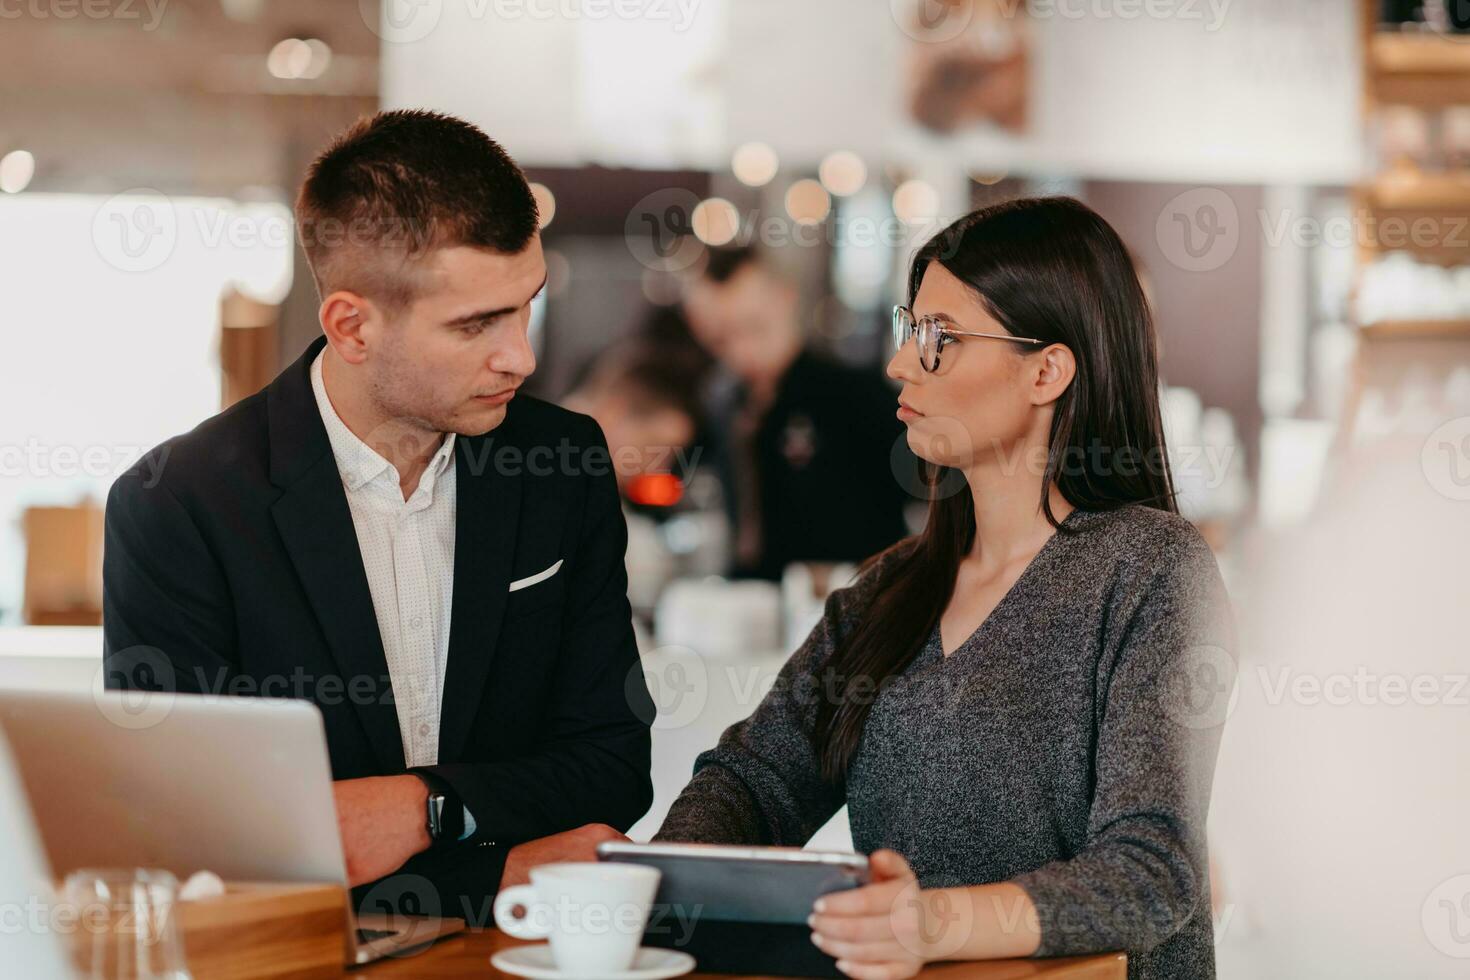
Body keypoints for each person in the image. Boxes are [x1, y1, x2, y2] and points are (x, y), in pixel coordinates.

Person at [656, 197, 1236, 979]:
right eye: (910, 327)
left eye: (940, 339)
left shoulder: (1152, 571)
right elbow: (754, 783)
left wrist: (930, 921)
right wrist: (655, 884)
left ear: (1047, 370)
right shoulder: (889, 589)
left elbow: (1150, 874)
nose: (900, 363)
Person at [102, 110, 653, 922]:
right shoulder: (178, 504)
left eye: (525, 304)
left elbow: (613, 763)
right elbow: (193, 838)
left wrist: (414, 808)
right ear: (351, 327)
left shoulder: (562, 462)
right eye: (476, 324)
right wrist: (491, 872)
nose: (522, 356)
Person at [682, 247, 911, 580]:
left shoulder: (855, 394)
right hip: (752, 597)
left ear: (785, 298)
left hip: (855, 595)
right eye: (720, 340)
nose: (742, 351)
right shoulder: (722, 404)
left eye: (755, 327)